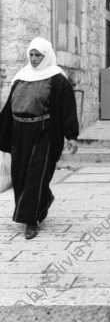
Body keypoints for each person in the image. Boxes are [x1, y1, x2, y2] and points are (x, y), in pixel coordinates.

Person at [0, 38, 79, 240]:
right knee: (19, 176)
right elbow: (10, 107)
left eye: (38, 55)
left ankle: (31, 221)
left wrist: (71, 135)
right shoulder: (21, 77)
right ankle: (44, 200)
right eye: (32, 55)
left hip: (44, 132)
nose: (34, 59)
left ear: (46, 56)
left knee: (36, 175)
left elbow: (68, 108)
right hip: (20, 132)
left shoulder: (57, 79)